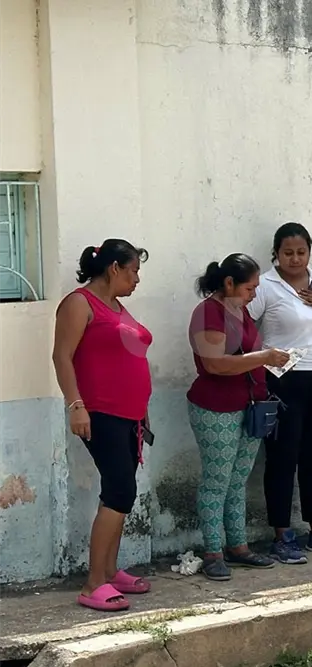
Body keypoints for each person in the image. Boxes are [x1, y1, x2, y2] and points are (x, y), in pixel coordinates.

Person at [51, 239, 153, 611]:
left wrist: (142, 407)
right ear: (114, 268)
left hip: (129, 415)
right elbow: (62, 356)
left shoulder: (117, 306)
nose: (137, 279)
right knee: (119, 491)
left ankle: (109, 570)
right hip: (100, 413)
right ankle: (93, 583)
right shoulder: (79, 304)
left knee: (123, 492)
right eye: (134, 270)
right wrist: (75, 405)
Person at [247, 222, 312, 563]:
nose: (295, 259)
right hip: (283, 382)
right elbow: (244, 328)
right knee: (282, 459)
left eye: (301, 252)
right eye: (287, 253)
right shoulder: (265, 285)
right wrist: (261, 360)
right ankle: (282, 535)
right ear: (276, 254)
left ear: (310, 251)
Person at [187, 254, 290, 580]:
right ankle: (213, 552)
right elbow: (216, 363)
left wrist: (271, 359)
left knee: (237, 482)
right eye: (249, 287)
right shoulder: (208, 313)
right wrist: (263, 356)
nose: (254, 295)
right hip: (216, 408)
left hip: (249, 406)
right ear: (229, 283)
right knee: (216, 482)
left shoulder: (240, 311)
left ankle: (238, 547)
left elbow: (245, 357)